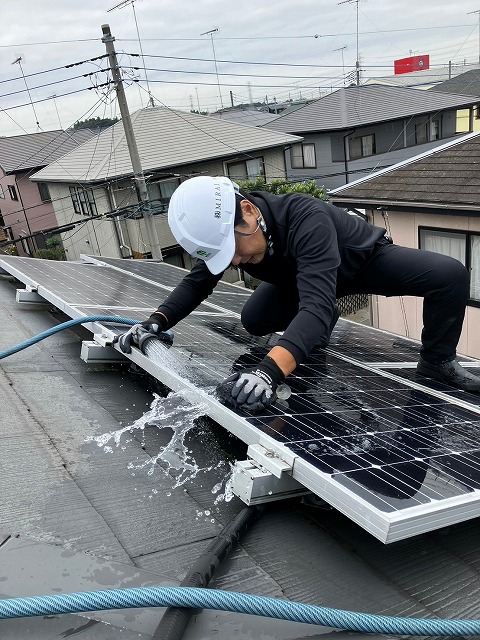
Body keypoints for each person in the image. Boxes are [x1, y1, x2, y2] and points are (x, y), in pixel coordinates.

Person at [117, 175, 480, 410]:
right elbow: (197, 282)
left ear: (248, 210)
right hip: (304, 280)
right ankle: (316, 323)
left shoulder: (304, 217)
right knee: (255, 320)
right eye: (225, 256)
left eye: (234, 248)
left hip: (361, 263)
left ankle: (437, 361)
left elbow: (317, 304)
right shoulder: (229, 238)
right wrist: (155, 322)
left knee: (449, 275)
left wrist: (267, 373)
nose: (237, 260)